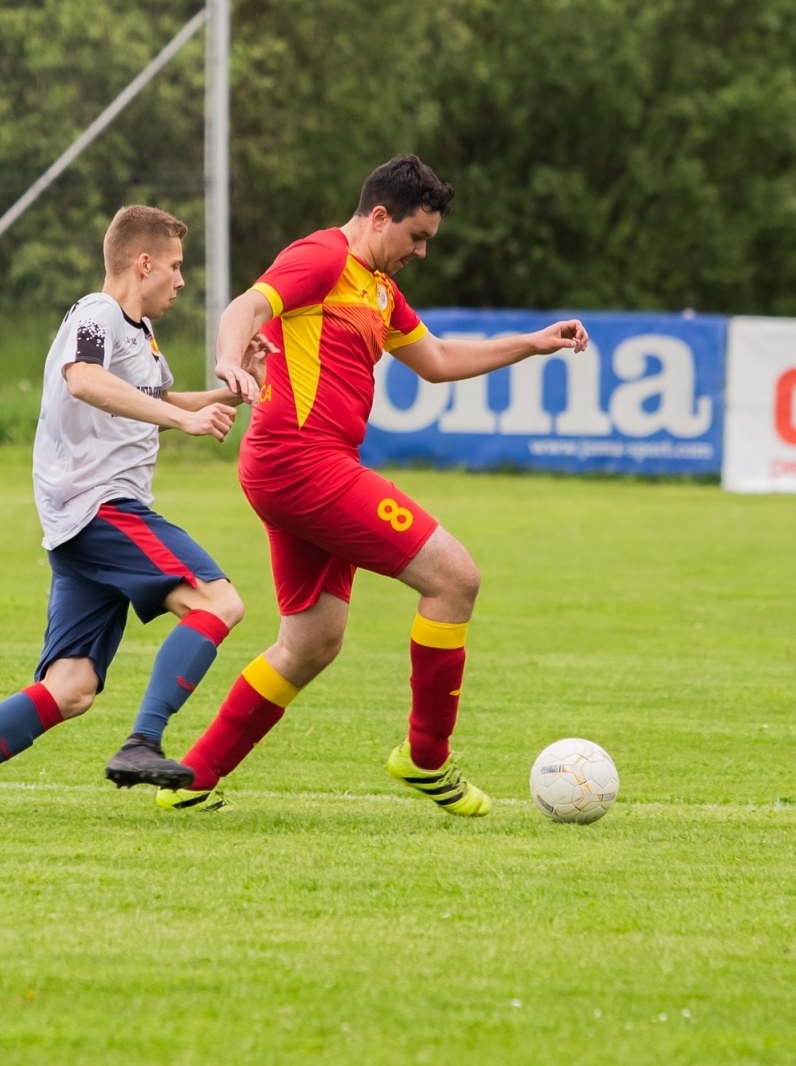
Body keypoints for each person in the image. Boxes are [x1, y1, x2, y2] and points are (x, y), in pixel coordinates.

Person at [157, 156, 588, 815]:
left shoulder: (379, 288)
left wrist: (530, 344)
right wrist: (227, 359)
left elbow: (436, 359)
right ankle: (426, 759)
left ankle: (193, 778)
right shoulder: (323, 258)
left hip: (298, 466)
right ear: (380, 216)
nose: (421, 251)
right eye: (416, 236)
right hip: (302, 461)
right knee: (455, 579)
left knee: (311, 643)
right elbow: (248, 305)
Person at [0, 205, 269, 822]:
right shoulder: (97, 313)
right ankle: (143, 742)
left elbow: (153, 399)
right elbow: (84, 381)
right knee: (219, 603)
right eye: (176, 266)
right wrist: (182, 420)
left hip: (81, 527)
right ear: (143, 263)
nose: (182, 280)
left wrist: (233, 390)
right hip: (101, 506)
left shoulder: (139, 333)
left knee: (71, 688)